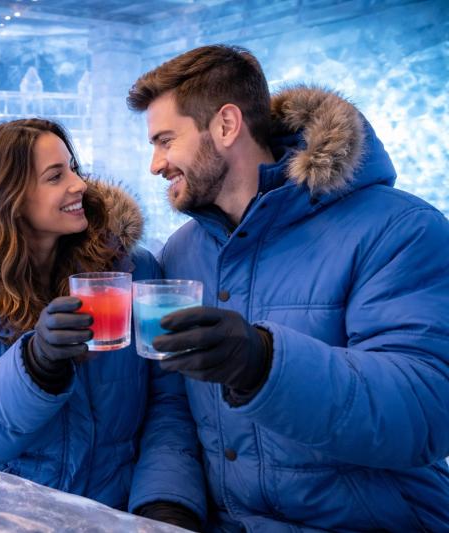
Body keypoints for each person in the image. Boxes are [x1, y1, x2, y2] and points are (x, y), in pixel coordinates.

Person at [127, 44, 449, 530]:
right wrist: (167, 508)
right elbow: (173, 408)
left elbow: (427, 409)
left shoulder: (400, 229)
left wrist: (265, 363)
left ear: (227, 125)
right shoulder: (181, 253)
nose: (156, 164)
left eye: (166, 140)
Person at [0, 119, 206, 530]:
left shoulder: (130, 268)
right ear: (9, 198)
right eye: (56, 176)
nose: (80, 185)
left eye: (74, 168)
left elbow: (168, 403)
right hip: (20, 517)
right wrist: (34, 364)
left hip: (122, 509)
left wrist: (164, 504)